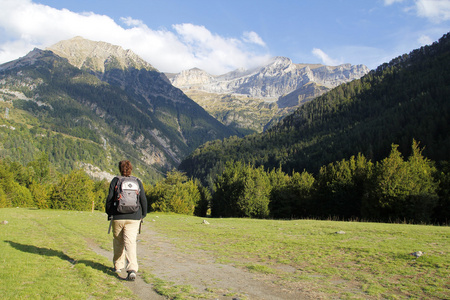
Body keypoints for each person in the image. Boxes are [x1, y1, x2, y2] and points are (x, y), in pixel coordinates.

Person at [105, 160, 147, 281]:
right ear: (131, 169)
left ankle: (118, 266)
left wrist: (109, 213)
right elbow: (143, 199)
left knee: (118, 241)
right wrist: (142, 214)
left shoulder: (116, 180)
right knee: (130, 242)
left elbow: (109, 198)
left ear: (120, 169)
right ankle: (132, 269)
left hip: (117, 216)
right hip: (134, 217)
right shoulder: (137, 181)